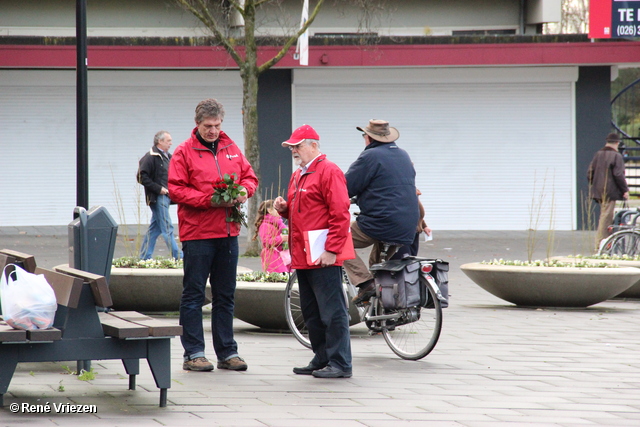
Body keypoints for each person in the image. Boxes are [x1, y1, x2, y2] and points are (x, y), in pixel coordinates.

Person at [168, 99, 258, 372]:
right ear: (198, 124)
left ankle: (227, 352)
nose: (213, 131)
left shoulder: (231, 148)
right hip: (198, 233)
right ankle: (193, 353)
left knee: (225, 295)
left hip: (228, 232)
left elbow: (249, 177)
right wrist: (210, 200)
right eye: (208, 126)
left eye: (217, 125)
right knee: (194, 294)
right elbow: (176, 190)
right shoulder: (184, 152)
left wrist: (244, 190)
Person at [274, 124, 353, 378]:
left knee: (332, 311)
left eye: (297, 146)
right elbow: (303, 211)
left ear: (313, 145)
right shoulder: (299, 174)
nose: (294, 151)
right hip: (304, 255)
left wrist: (332, 250)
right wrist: (285, 209)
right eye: (292, 147)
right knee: (312, 312)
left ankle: (340, 363)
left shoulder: (329, 171)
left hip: (322, 255)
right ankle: (322, 357)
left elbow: (340, 213)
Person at [343, 119, 419, 304]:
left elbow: (346, 187)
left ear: (368, 138)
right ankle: (385, 317)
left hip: (380, 222)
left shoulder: (370, 157)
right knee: (377, 266)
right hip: (407, 225)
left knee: (336, 240)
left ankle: (364, 283)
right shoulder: (403, 155)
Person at [137, 130, 182, 260]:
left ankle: (144, 256)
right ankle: (179, 256)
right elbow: (141, 176)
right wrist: (159, 189)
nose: (171, 143)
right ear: (160, 141)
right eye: (168, 141)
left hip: (167, 197)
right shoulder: (150, 157)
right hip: (158, 197)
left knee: (155, 229)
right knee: (167, 227)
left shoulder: (169, 157)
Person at [588, 132, 630, 251]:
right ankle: (600, 246)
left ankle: (605, 243)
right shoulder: (616, 156)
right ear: (617, 143)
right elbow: (618, 174)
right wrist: (624, 190)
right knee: (606, 218)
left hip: (598, 191)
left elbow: (589, 172)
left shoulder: (598, 154)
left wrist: (595, 185)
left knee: (605, 216)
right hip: (610, 192)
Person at [390, 188, 431, 260]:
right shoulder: (398, 194)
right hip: (402, 232)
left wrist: (424, 226)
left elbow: (416, 214)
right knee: (403, 259)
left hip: (414, 232)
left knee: (411, 258)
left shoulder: (411, 193)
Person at [253, 199, 291, 273]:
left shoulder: (278, 224)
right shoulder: (265, 225)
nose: (279, 211)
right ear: (270, 210)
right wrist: (281, 238)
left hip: (280, 255)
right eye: (276, 209)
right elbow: (266, 242)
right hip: (272, 257)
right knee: (277, 277)